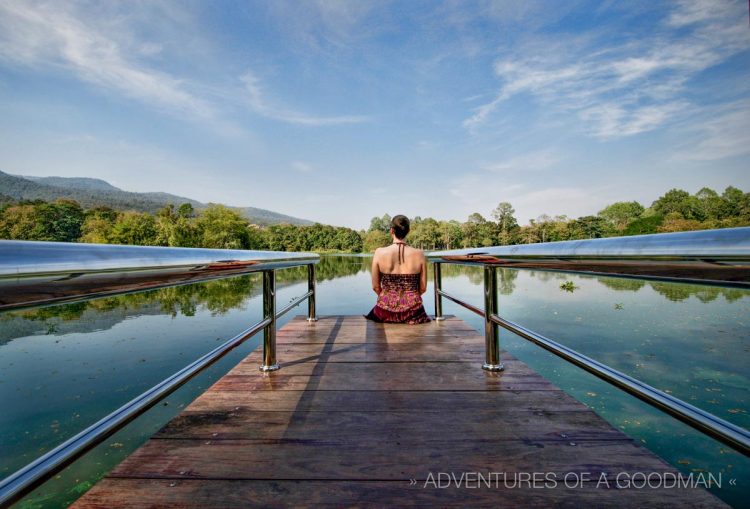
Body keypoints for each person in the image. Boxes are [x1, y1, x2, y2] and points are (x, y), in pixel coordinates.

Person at [365, 215, 431, 324]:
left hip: (385, 312)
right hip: (413, 313)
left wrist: (388, 300)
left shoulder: (379, 252)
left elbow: (376, 287)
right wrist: (409, 301)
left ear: (391, 231)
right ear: (408, 231)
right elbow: (423, 288)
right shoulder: (419, 254)